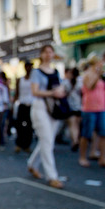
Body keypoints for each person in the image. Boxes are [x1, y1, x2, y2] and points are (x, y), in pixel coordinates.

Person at [27, 44, 67, 189]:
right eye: (46, 52)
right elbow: (35, 92)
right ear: (42, 54)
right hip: (40, 107)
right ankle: (52, 176)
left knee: (47, 140)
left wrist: (60, 92)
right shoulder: (36, 72)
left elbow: (60, 87)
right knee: (47, 140)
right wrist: (52, 93)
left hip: (53, 108)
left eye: (51, 52)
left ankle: (32, 164)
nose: (49, 54)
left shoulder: (56, 71)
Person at [78, 54, 105, 168]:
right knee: (86, 134)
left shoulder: (100, 75)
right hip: (89, 109)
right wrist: (97, 74)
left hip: (102, 108)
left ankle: (103, 158)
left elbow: (100, 91)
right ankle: (82, 157)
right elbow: (89, 87)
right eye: (100, 61)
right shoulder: (87, 74)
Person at [14, 61, 34, 153]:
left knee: (29, 126)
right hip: (22, 104)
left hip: (32, 105)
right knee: (19, 125)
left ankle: (27, 145)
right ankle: (19, 144)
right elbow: (17, 93)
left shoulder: (34, 80)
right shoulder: (20, 80)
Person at [62, 67, 82, 152]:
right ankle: (76, 140)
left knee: (72, 125)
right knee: (77, 125)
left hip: (70, 106)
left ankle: (75, 140)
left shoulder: (66, 82)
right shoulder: (81, 82)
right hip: (79, 106)